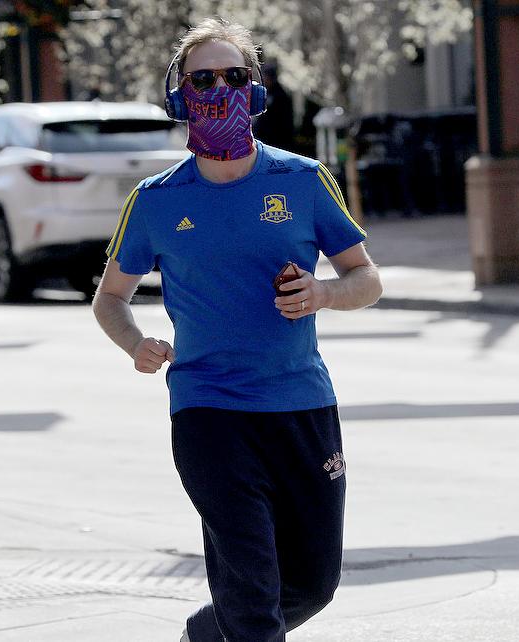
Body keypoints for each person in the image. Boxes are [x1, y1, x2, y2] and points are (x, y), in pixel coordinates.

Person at [91, 17, 382, 642]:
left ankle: (208, 635)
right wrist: (135, 342)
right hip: (208, 409)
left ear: (254, 90)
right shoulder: (156, 199)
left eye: (234, 76)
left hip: (300, 401)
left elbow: (367, 279)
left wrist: (324, 292)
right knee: (249, 579)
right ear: (179, 95)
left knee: (311, 584)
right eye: (203, 78)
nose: (218, 89)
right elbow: (109, 297)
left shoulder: (302, 181)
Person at [252, 62, 295, 151]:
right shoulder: (266, 92)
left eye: (266, 77)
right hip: (265, 137)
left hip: (277, 140)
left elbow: (281, 120)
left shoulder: (280, 95)